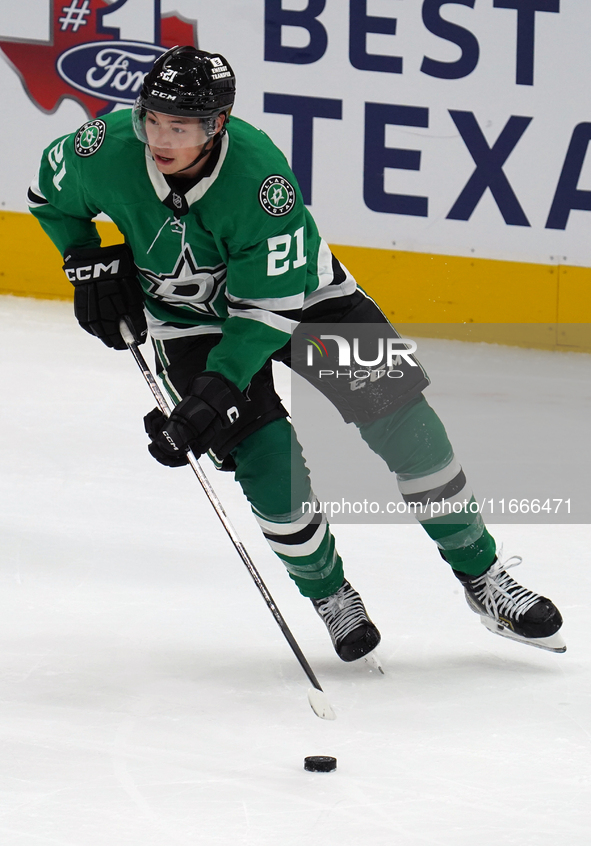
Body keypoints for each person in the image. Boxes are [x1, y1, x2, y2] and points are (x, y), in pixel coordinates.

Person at [28, 46, 565, 661]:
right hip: (189, 325)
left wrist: (217, 389)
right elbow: (48, 195)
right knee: (270, 469)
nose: (159, 138)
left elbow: (269, 313)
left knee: (410, 429)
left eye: (179, 127)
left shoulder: (262, 180)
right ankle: (330, 592)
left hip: (309, 302)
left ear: (217, 124)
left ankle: (483, 576)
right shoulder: (104, 148)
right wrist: (83, 258)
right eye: (151, 119)